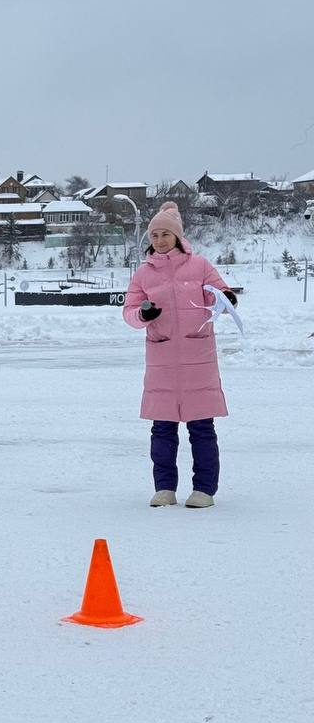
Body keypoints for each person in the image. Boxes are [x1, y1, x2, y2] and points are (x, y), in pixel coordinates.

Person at [123, 201, 235, 509]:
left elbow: (219, 294)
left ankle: (204, 490)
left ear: (177, 236)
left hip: (198, 358)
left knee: (201, 427)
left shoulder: (199, 265)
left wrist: (226, 298)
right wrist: (144, 316)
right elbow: (129, 313)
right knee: (162, 428)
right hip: (162, 362)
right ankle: (164, 488)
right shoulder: (143, 274)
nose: (159, 240)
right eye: (154, 235)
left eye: (164, 234)